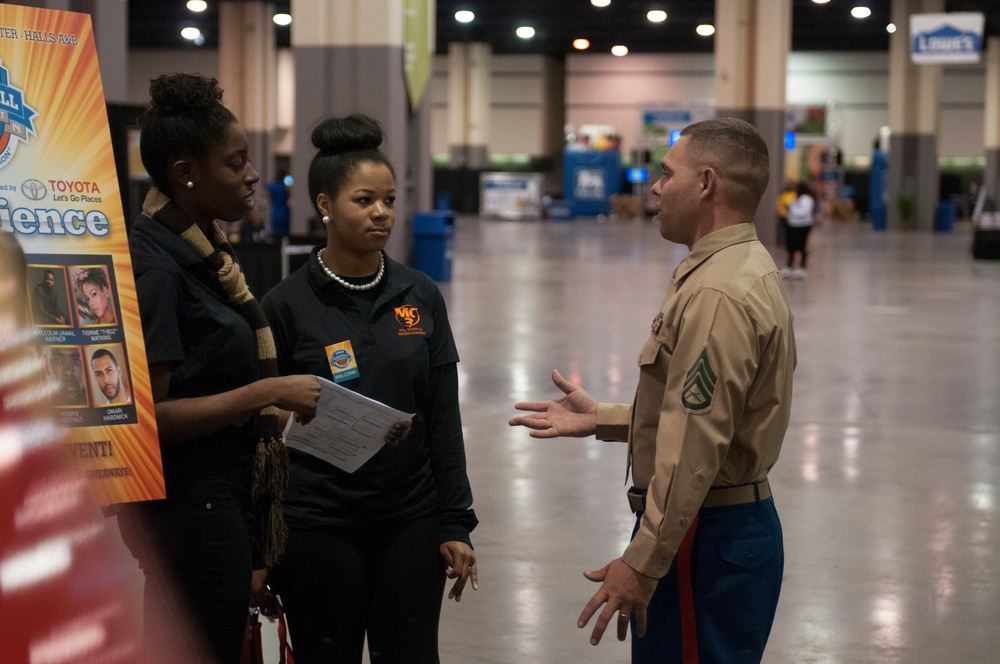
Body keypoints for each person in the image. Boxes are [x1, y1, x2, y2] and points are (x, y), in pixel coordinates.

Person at [509, 118, 796, 663]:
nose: (656, 187)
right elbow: (709, 412)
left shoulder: (718, 292)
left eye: (667, 173)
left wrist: (643, 561)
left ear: (706, 183)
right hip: (717, 526)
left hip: (702, 537)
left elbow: (697, 445)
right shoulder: (732, 267)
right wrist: (608, 419)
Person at [261, 114, 479, 664]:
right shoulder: (285, 305)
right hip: (316, 522)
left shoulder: (420, 294)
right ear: (325, 205)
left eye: (388, 199)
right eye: (364, 200)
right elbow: (260, 428)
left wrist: (456, 522)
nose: (381, 212)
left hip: (410, 515)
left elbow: (443, 416)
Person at [121, 72, 321, 664]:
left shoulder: (203, 250)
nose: (253, 175)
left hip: (220, 493)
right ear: (186, 174)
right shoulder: (159, 268)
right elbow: (148, 419)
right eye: (236, 164)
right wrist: (263, 390)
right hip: (191, 503)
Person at [781, 180, 816, 279]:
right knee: (790, 246)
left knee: (801, 246)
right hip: (792, 224)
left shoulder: (807, 199)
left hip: (803, 226)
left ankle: (802, 268)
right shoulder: (795, 198)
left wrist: (792, 208)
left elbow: (803, 212)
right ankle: (789, 266)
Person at [265, 171, 290, 239]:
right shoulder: (285, 187)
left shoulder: (271, 186)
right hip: (284, 211)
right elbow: (289, 196)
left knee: (275, 234)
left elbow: (268, 198)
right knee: (284, 235)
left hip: (275, 211)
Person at [775, 179, 796, 247]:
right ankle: (783, 242)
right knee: (783, 231)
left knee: (790, 231)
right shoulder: (783, 194)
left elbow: (791, 204)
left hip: (790, 216)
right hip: (783, 215)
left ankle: (790, 243)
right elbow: (780, 204)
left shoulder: (793, 194)